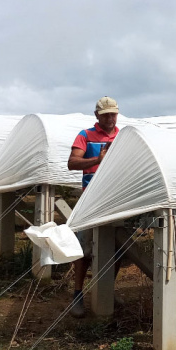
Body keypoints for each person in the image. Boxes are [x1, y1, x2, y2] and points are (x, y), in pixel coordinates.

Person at [66, 96, 120, 317]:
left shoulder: (122, 136)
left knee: (117, 249)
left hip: (115, 199)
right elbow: (72, 163)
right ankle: (77, 295)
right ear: (97, 115)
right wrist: (97, 160)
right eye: (106, 114)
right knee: (84, 251)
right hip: (91, 199)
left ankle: (106, 290)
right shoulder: (85, 136)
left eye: (113, 113)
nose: (110, 118)